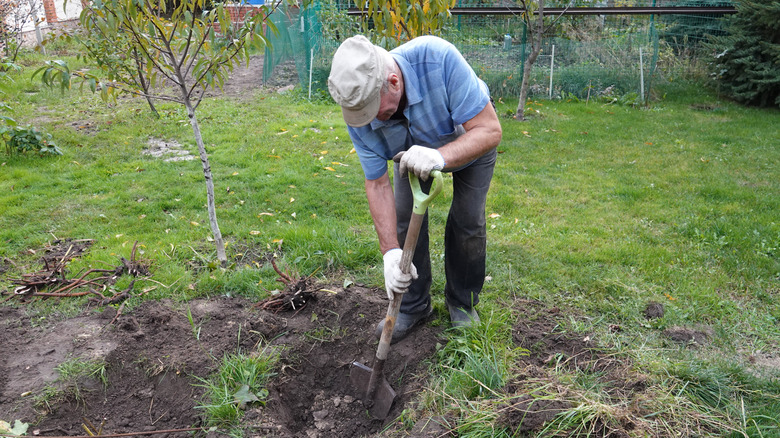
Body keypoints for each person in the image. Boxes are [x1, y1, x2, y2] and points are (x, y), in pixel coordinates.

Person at [328, 35, 502, 344]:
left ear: (393, 82)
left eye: (373, 111)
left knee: (468, 220)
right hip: (409, 156)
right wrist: (389, 253)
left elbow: (490, 130)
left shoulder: (438, 60)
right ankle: (412, 306)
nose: (366, 122)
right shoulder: (358, 110)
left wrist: (439, 156)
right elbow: (376, 182)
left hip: (469, 138)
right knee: (405, 220)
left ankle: (462, 303)